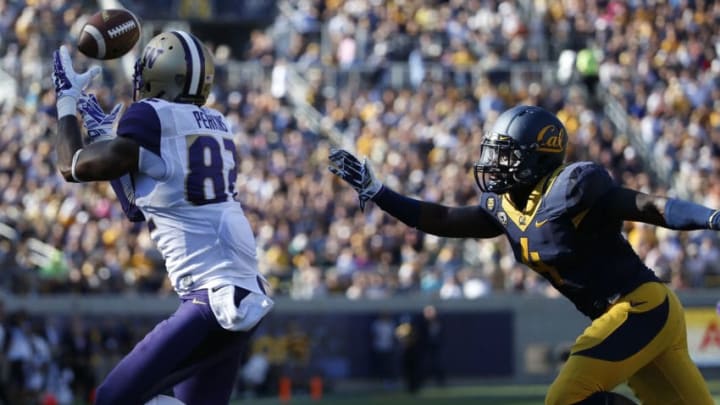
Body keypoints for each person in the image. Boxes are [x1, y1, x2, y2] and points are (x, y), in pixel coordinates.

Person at [329, 105, 715, 405]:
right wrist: (381, 193)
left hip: (642, 308)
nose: (495, 164)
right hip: (629, 316)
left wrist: (711, 217)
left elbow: (650, 207)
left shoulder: (574, 190)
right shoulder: (505, 207)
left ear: (538, 157)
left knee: (566, 397)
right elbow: (444, 218)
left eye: (507, 155)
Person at [52, 30, 273, 405]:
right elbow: (138, 206)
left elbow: (70, 166)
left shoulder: (150, 117)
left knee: (112, 398)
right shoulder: (218, 123)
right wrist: (110, 139)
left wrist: (66, 103)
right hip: (243, 292)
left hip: (209, 301)